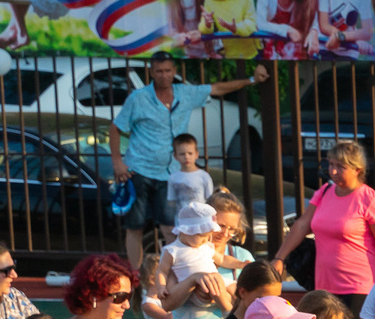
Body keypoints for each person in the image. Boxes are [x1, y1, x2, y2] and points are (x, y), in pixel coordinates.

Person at [107, 57, 261, 267]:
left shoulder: (185, 93)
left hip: (171, 173)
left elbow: (216, 88)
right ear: (151, 72)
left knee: (172, 227)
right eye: (159, 71)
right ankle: (135, 277)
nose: (164, 75)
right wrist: (117, 162)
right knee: (134, 226)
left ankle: (178, 271)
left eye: (168, 70)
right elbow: (115, 128)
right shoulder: (138, 98)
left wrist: (252, 79)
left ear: (174, 71)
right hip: (139, 170)